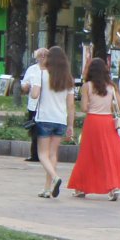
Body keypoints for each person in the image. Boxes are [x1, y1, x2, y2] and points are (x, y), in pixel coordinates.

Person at [65, 57, 120, 201]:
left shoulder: (87, 86)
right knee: (109, 154)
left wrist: (93, 105)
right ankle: (113, 186)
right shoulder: (111, 86)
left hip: (92, 122)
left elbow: (84, 108)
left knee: (88, 155)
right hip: (107, 122)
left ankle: (81, 187)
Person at [31, 45, 73, 197]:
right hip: (60, 120)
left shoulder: (41, 74)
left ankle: (55, 178)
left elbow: (34, 95)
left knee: (42, 154)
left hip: (44, 118)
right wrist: (70, 125)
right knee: (53, 154)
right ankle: (47, 188)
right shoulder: (68, 79)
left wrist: (39, 67)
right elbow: (71, 105)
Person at [19, 47, 46, 162]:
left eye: (44, 56)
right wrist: (25, 86)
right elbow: (24, 84)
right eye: (39, 57)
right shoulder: (32, 69)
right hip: (33, 105)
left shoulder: (52, 70)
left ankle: (44, 154)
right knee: (34, 130)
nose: (41, 59)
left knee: (45, 130)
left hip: (47, 105)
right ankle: (34, 154)